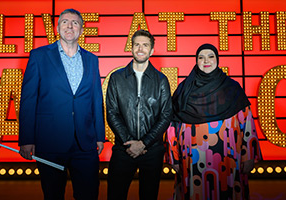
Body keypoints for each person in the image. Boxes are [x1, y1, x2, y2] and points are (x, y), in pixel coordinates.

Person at [18, 8, 105, 200]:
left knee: (89, 194)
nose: (69, 26)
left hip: (85, 143)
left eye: (75, 22)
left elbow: (96, 99)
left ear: (81, 30)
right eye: (65, 22)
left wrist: (100, 135)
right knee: (53, 194)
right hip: (50, 140)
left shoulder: (92, 59)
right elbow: (28, 99)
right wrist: (26, 139)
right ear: (57, 28)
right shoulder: (39, 56)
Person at [167, 43, 262, 200]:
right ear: (196, 61)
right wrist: (174, 157)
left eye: (211, 56)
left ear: (217, 60)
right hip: (191, 159)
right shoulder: (184, 89)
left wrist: (249, 155)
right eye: (201, 57)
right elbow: (173, 126)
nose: (206, 61)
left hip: (229, 158)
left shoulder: (232, 88)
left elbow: (247, 122)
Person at [106, 29, 172, 200]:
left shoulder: (161, 80)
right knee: (115, 195)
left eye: (145, 45)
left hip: (152, 151)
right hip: (123, 148)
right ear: (131, 47)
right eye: (137, 45)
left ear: (152, 50)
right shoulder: (116, 78)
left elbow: (165, 116)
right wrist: (130, 143)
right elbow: (112, 113)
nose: (140, 49)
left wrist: (144, 143)